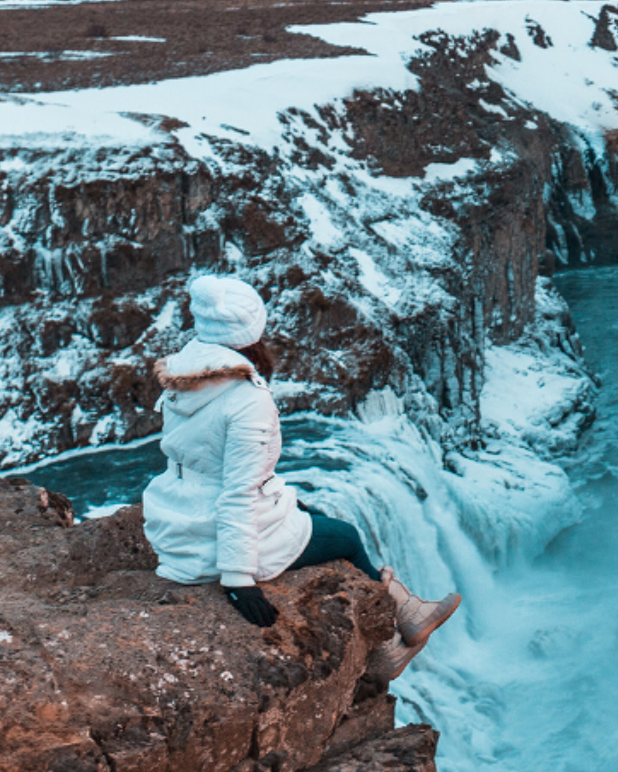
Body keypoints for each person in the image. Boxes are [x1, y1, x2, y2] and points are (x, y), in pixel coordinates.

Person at [141, 275, 461, 678]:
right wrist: (239, 580)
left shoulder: (184, 376)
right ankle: (388, 646)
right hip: (215, 537)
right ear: (250, 332)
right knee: (345, 537)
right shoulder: (246, 398)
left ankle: (408, 612)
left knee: (311, 515)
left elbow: (209, 462)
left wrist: (282, 499)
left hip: (179, 520)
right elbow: (238, 491)